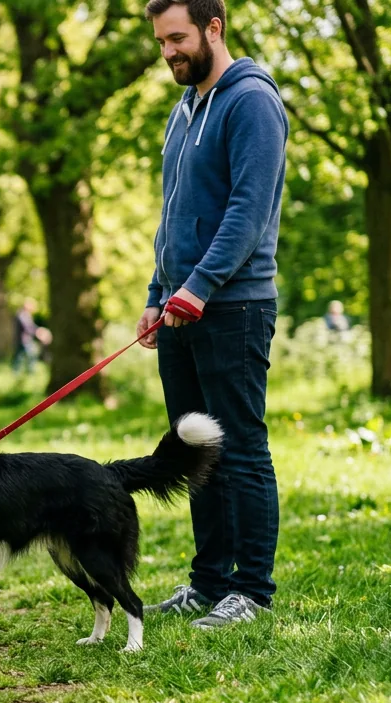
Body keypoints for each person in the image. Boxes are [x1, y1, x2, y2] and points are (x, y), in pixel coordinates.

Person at [138, 0, 287, 629]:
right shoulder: (183, 110)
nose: (169, 51)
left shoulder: (251, 101)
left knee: (242, 449)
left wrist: (198, 286)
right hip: (179, 310)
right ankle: (207, 583)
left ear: (213, 28)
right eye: (161, 42)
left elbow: (248, 212)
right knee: (197, 449)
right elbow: (172, 218)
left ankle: (250, 591)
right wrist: (157, 291)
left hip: (234, 305)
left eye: (178, 38)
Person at [12, 299, 42, 374]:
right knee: (29, 356)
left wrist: (38, 330)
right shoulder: (22, 315)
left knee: (20, 357)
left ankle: (19, 372)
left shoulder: (26, 315)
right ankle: (27, 372)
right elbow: (27, 327)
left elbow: (31, 326)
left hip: (25, 340)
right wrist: (37, 332)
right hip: (23, 340)